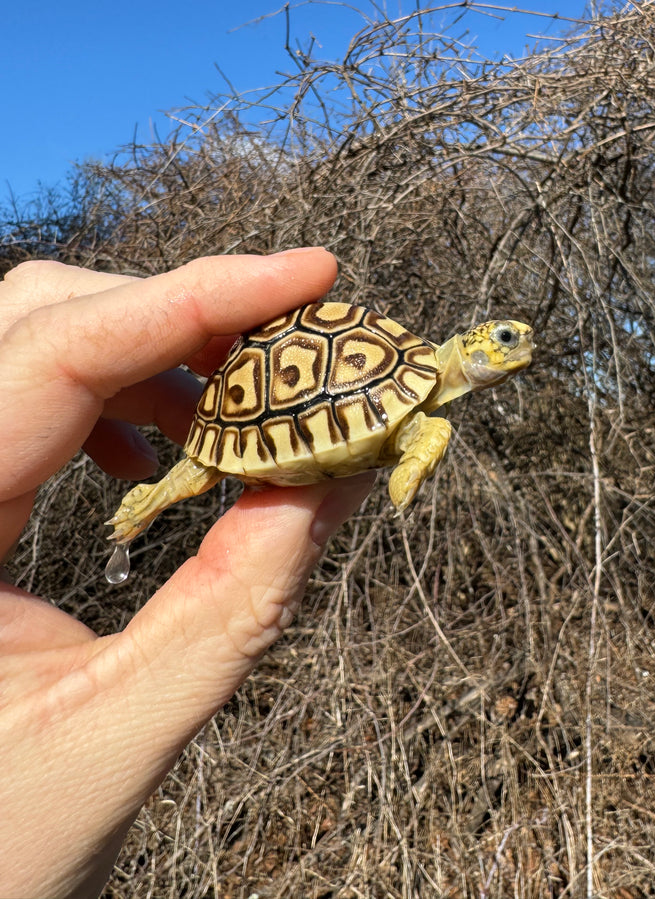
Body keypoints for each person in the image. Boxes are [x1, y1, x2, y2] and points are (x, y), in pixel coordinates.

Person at [0, 250, 375, 899]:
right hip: (272, 413)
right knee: (180, 478)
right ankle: (144, 503)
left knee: (182, 478)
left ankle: (146, 501)